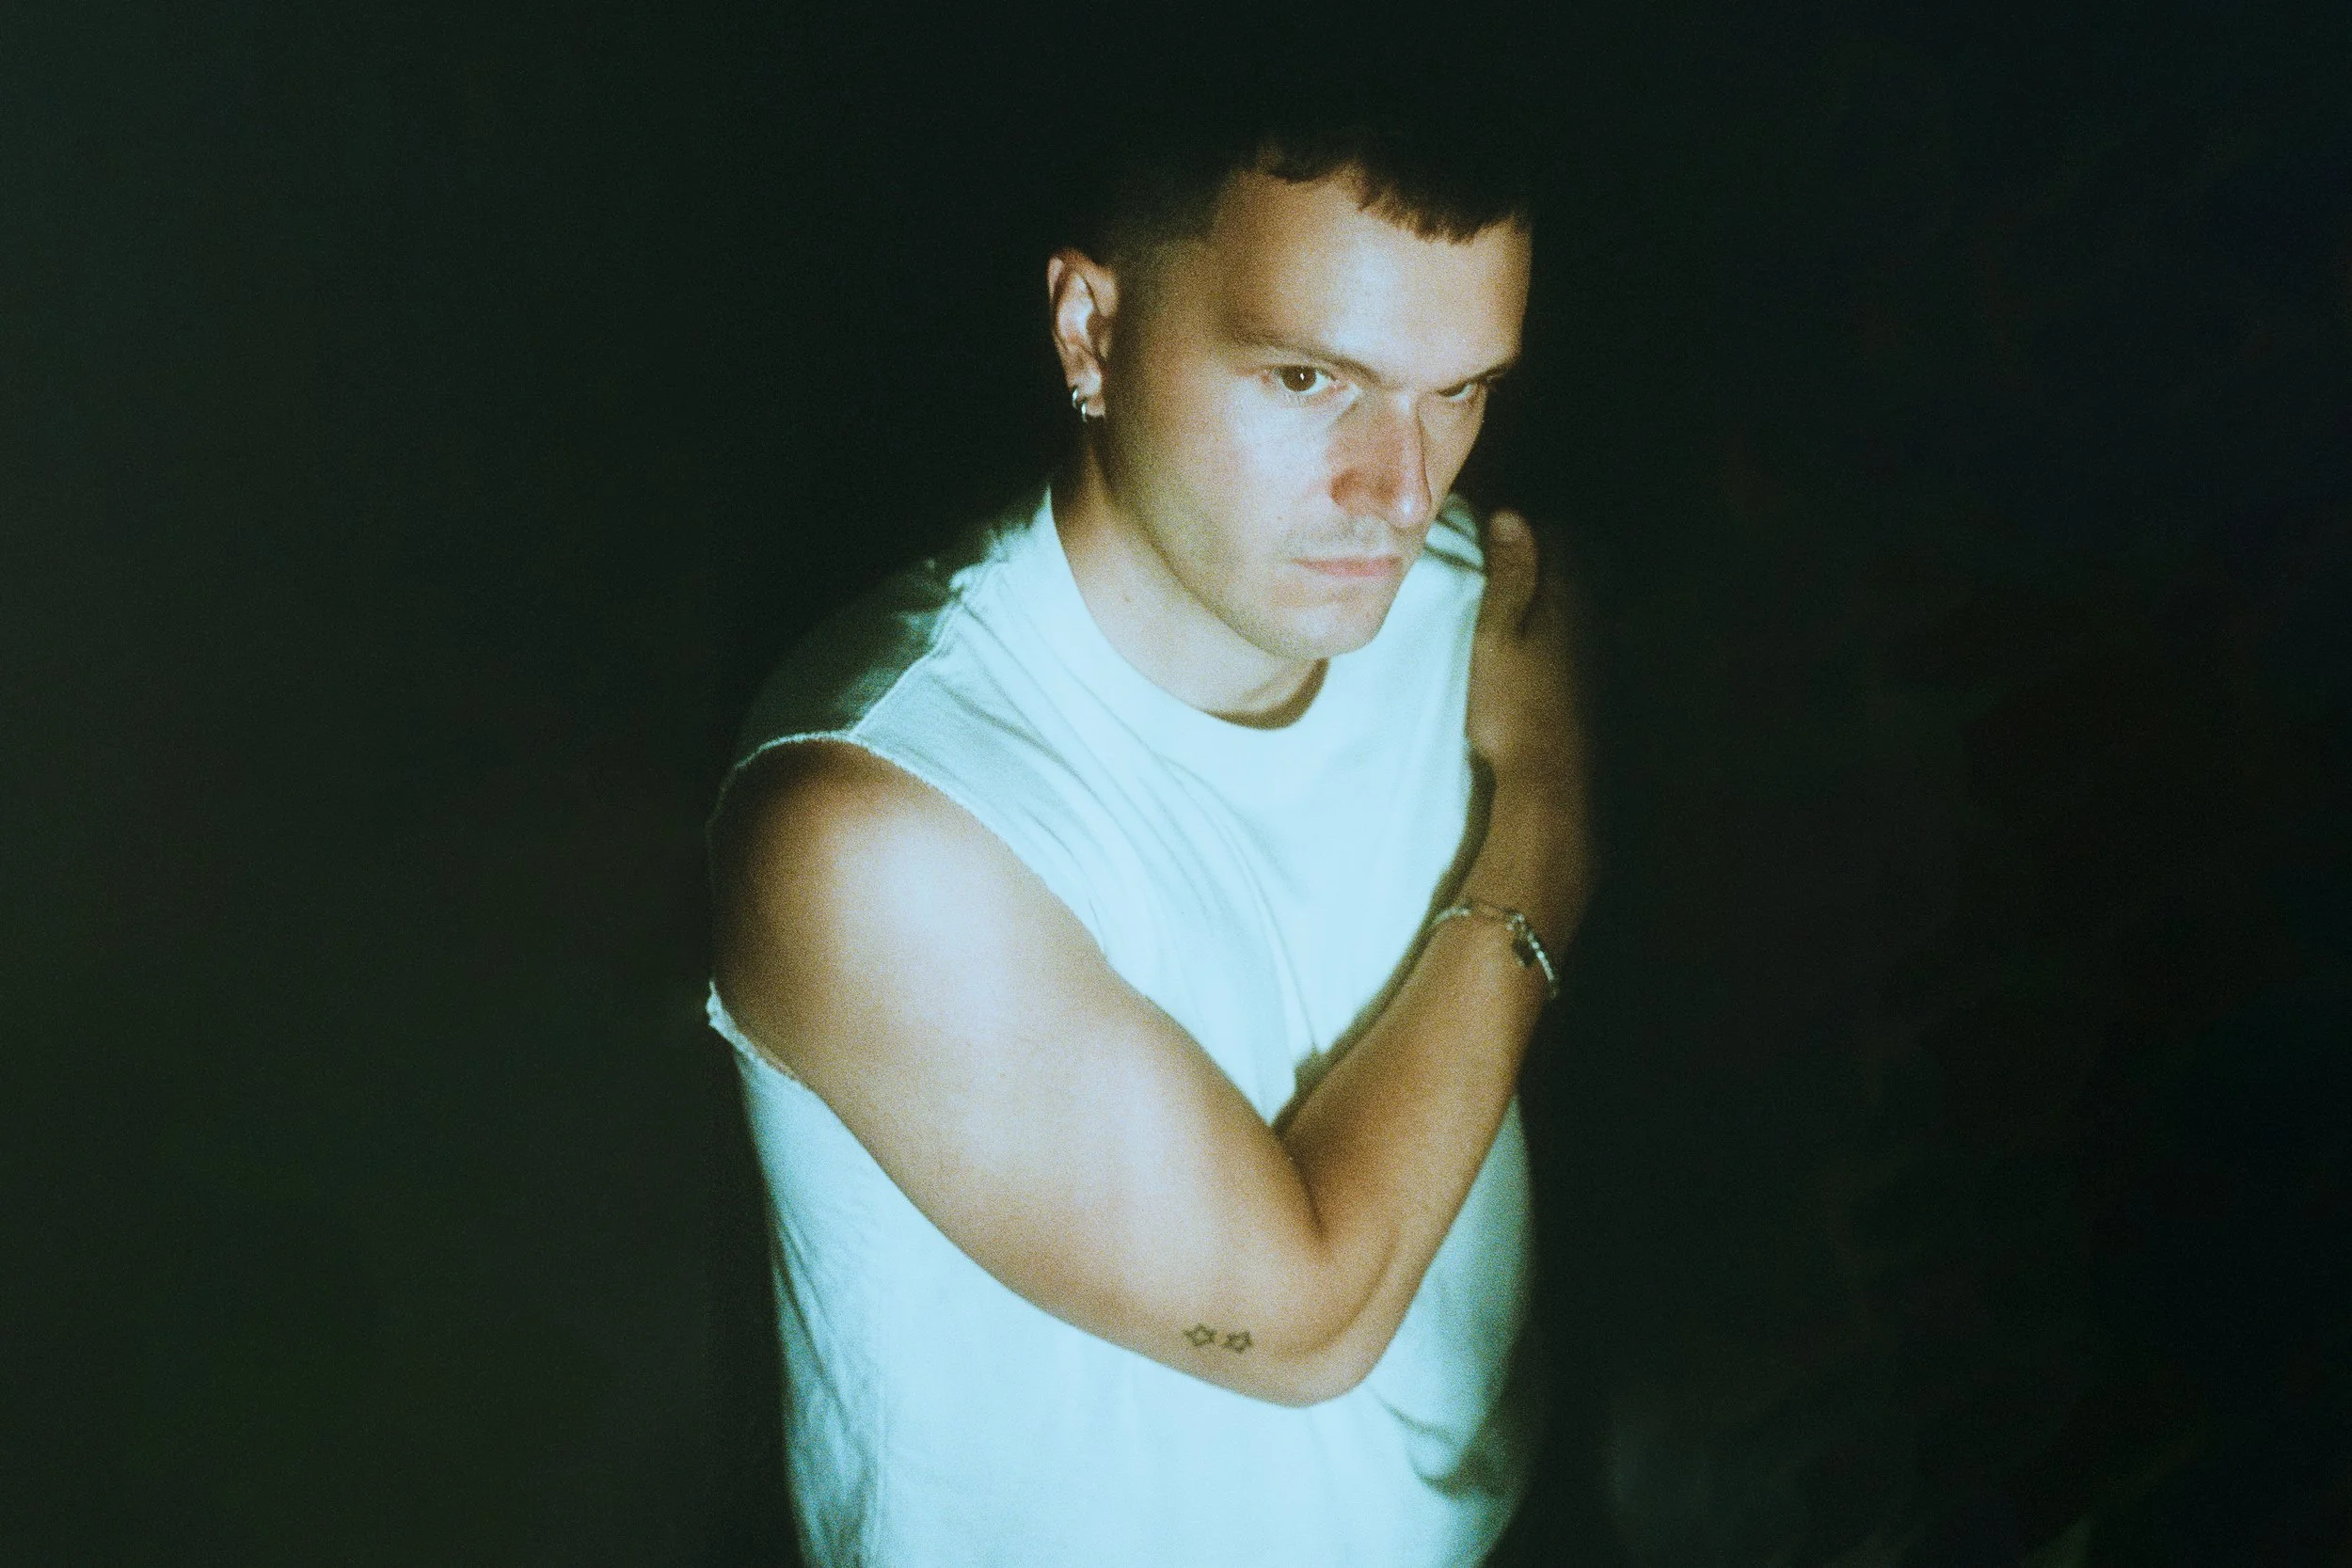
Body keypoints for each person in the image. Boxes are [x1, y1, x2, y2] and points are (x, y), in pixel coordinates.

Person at [706, 80, 1589, 1567]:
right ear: (1091, 331)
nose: (1399, 485)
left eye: (1460, 390)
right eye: (1309, 380)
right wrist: (1546, 826)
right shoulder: (871, 820)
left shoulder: (1474, 620)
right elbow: (1305, 1315)